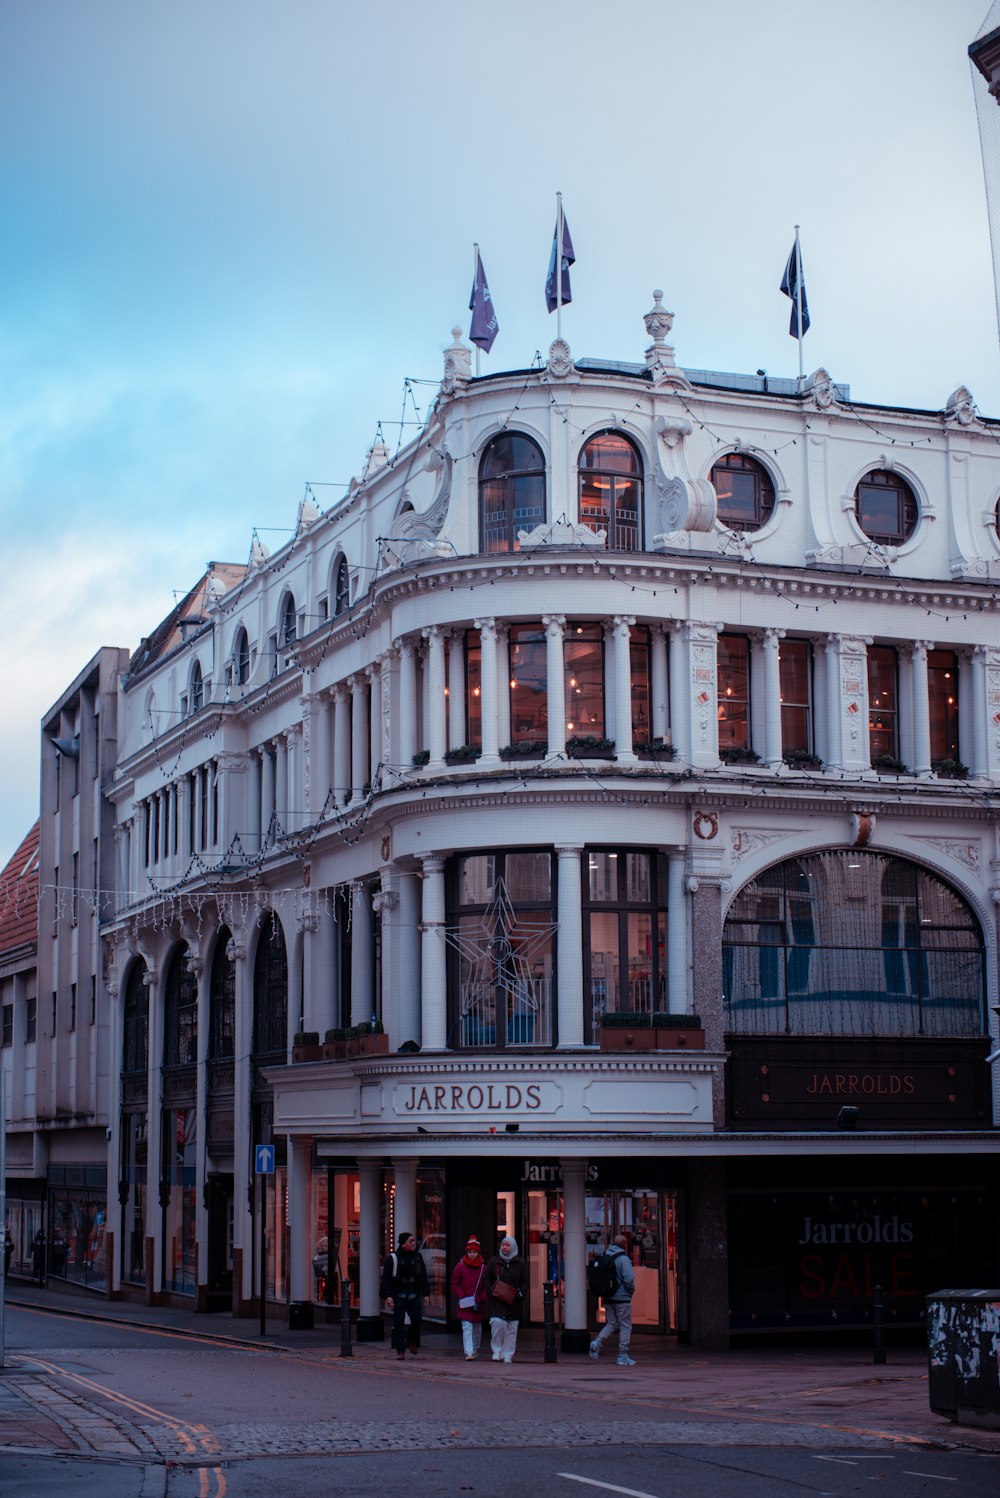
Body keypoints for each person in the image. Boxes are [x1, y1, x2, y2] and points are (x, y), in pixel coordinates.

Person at [379, 1231, 430, 1359]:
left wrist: (426, 1294)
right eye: (410, 1241)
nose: (414, 1243)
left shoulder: (417, 1258)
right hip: (399, 1296)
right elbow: (386, 1279)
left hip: (413, 1295)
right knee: (399, 1324)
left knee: (417, 1319)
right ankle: (400, 1351)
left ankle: (411, 1340)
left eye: (414, 1241)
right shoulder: (393, 1259)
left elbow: (423, 1277)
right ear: (403, 1244)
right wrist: (388, 1296)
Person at [588, 1233, 636, 1366]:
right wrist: (630, 1291)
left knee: (611, 1323)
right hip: (622, 1298)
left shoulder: (606, 1255)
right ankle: (622, 1355)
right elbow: (629, 1279)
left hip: (608, 1296)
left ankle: (597, 1341)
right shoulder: (623, 1259)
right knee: (625, 1326)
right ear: (625, 1245)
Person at [484, 1235, 526, 1364]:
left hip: (513, 1301)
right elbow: (487, 1278)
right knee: (498, 1323)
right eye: (503, 1245)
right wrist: (490, 1290)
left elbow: (524, 1281)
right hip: (497, 1300)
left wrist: (521, 1292)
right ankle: (496, 1350)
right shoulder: (494, 1261)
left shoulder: (520, 1263)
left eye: (508, 1245)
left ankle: (508, 1354)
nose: (505, 1247)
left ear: (513, 1247)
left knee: (512, 1329)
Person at [450, 1235, 488, 1360]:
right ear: (467, 1252)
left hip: (477, 1303)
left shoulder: (484, 1268)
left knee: (477, 1328)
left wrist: (481, 1298)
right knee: (467, 1327)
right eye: (470, 1252)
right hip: (466, 1302)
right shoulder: (460, 1267)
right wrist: (462, 1296)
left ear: (478, 1252)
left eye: (474, 1252)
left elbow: (487, 1286)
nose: (472, 1254)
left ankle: (474, 1349)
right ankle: (469, 1352)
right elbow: (455, 1284)